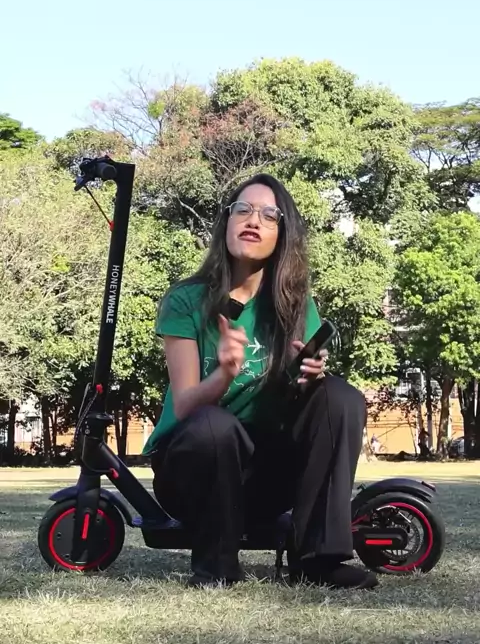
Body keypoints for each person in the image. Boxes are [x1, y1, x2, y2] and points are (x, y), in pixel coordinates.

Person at [143, 174, 378, 590]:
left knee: (339, 397)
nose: (253, 220)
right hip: (193, 472)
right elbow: (184, 405)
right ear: (226, 222)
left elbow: (301, 407)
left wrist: (310, 377)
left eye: (269, 215)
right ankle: (216, 565)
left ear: (282, 234)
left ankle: (318, 560)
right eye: (243, 210)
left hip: (265, 478)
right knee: (214, 425)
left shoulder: (295, 304)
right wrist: (224, 374)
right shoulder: (186, 300)